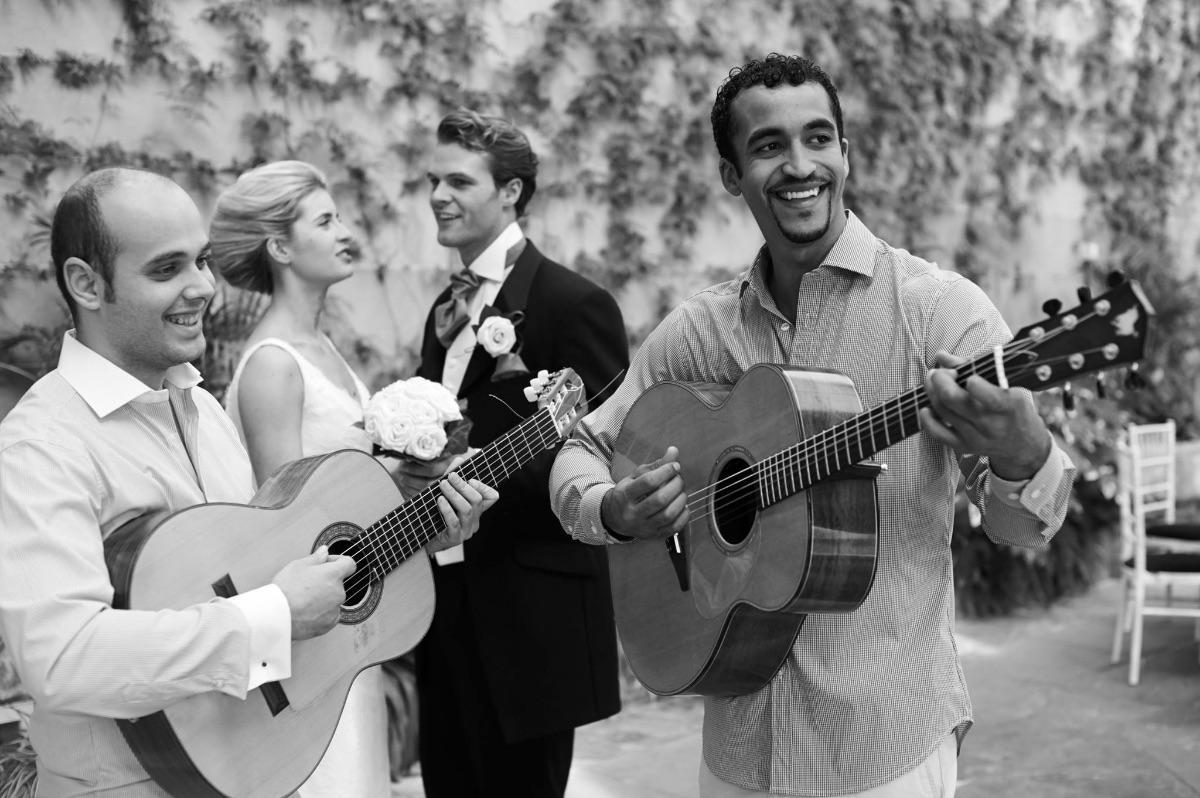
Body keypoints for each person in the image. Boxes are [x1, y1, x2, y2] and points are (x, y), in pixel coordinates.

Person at [549, 54, 1077, 798]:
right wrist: (613, 509)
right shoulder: (702, 329)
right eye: (769, 146)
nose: (800, 165)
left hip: (884, 746)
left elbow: (1024, 528)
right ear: (732, 175)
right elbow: (582, 446)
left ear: (845, 153)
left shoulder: (938, 312)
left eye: (818, 138)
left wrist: (1025, 452)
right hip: (739, 749)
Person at [0, 167, 495, 798]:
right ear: (86, 284)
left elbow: (276, 572)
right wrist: (274, 615)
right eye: (166, 269)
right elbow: (62, 658)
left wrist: (414, 533)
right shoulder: (43, 444)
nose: (203, 287)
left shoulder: (204, 410)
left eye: (202, 260)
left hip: (256, 764)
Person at [397, 109, 628, 797]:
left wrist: (462, 473)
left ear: (511, 192)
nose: (438, 196)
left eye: (458, 181)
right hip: (445, 605)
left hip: (531, 619)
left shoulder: (574, 303)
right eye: (433, 181)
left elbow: (602, 448)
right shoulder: (445, 310)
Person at [209, 159, 416, 797]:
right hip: (313, 652)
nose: (345, 232)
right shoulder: (274, 366)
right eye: (325, 221)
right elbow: (287, 529)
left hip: (350, 636)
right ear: (280, 247)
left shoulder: (323, 351)